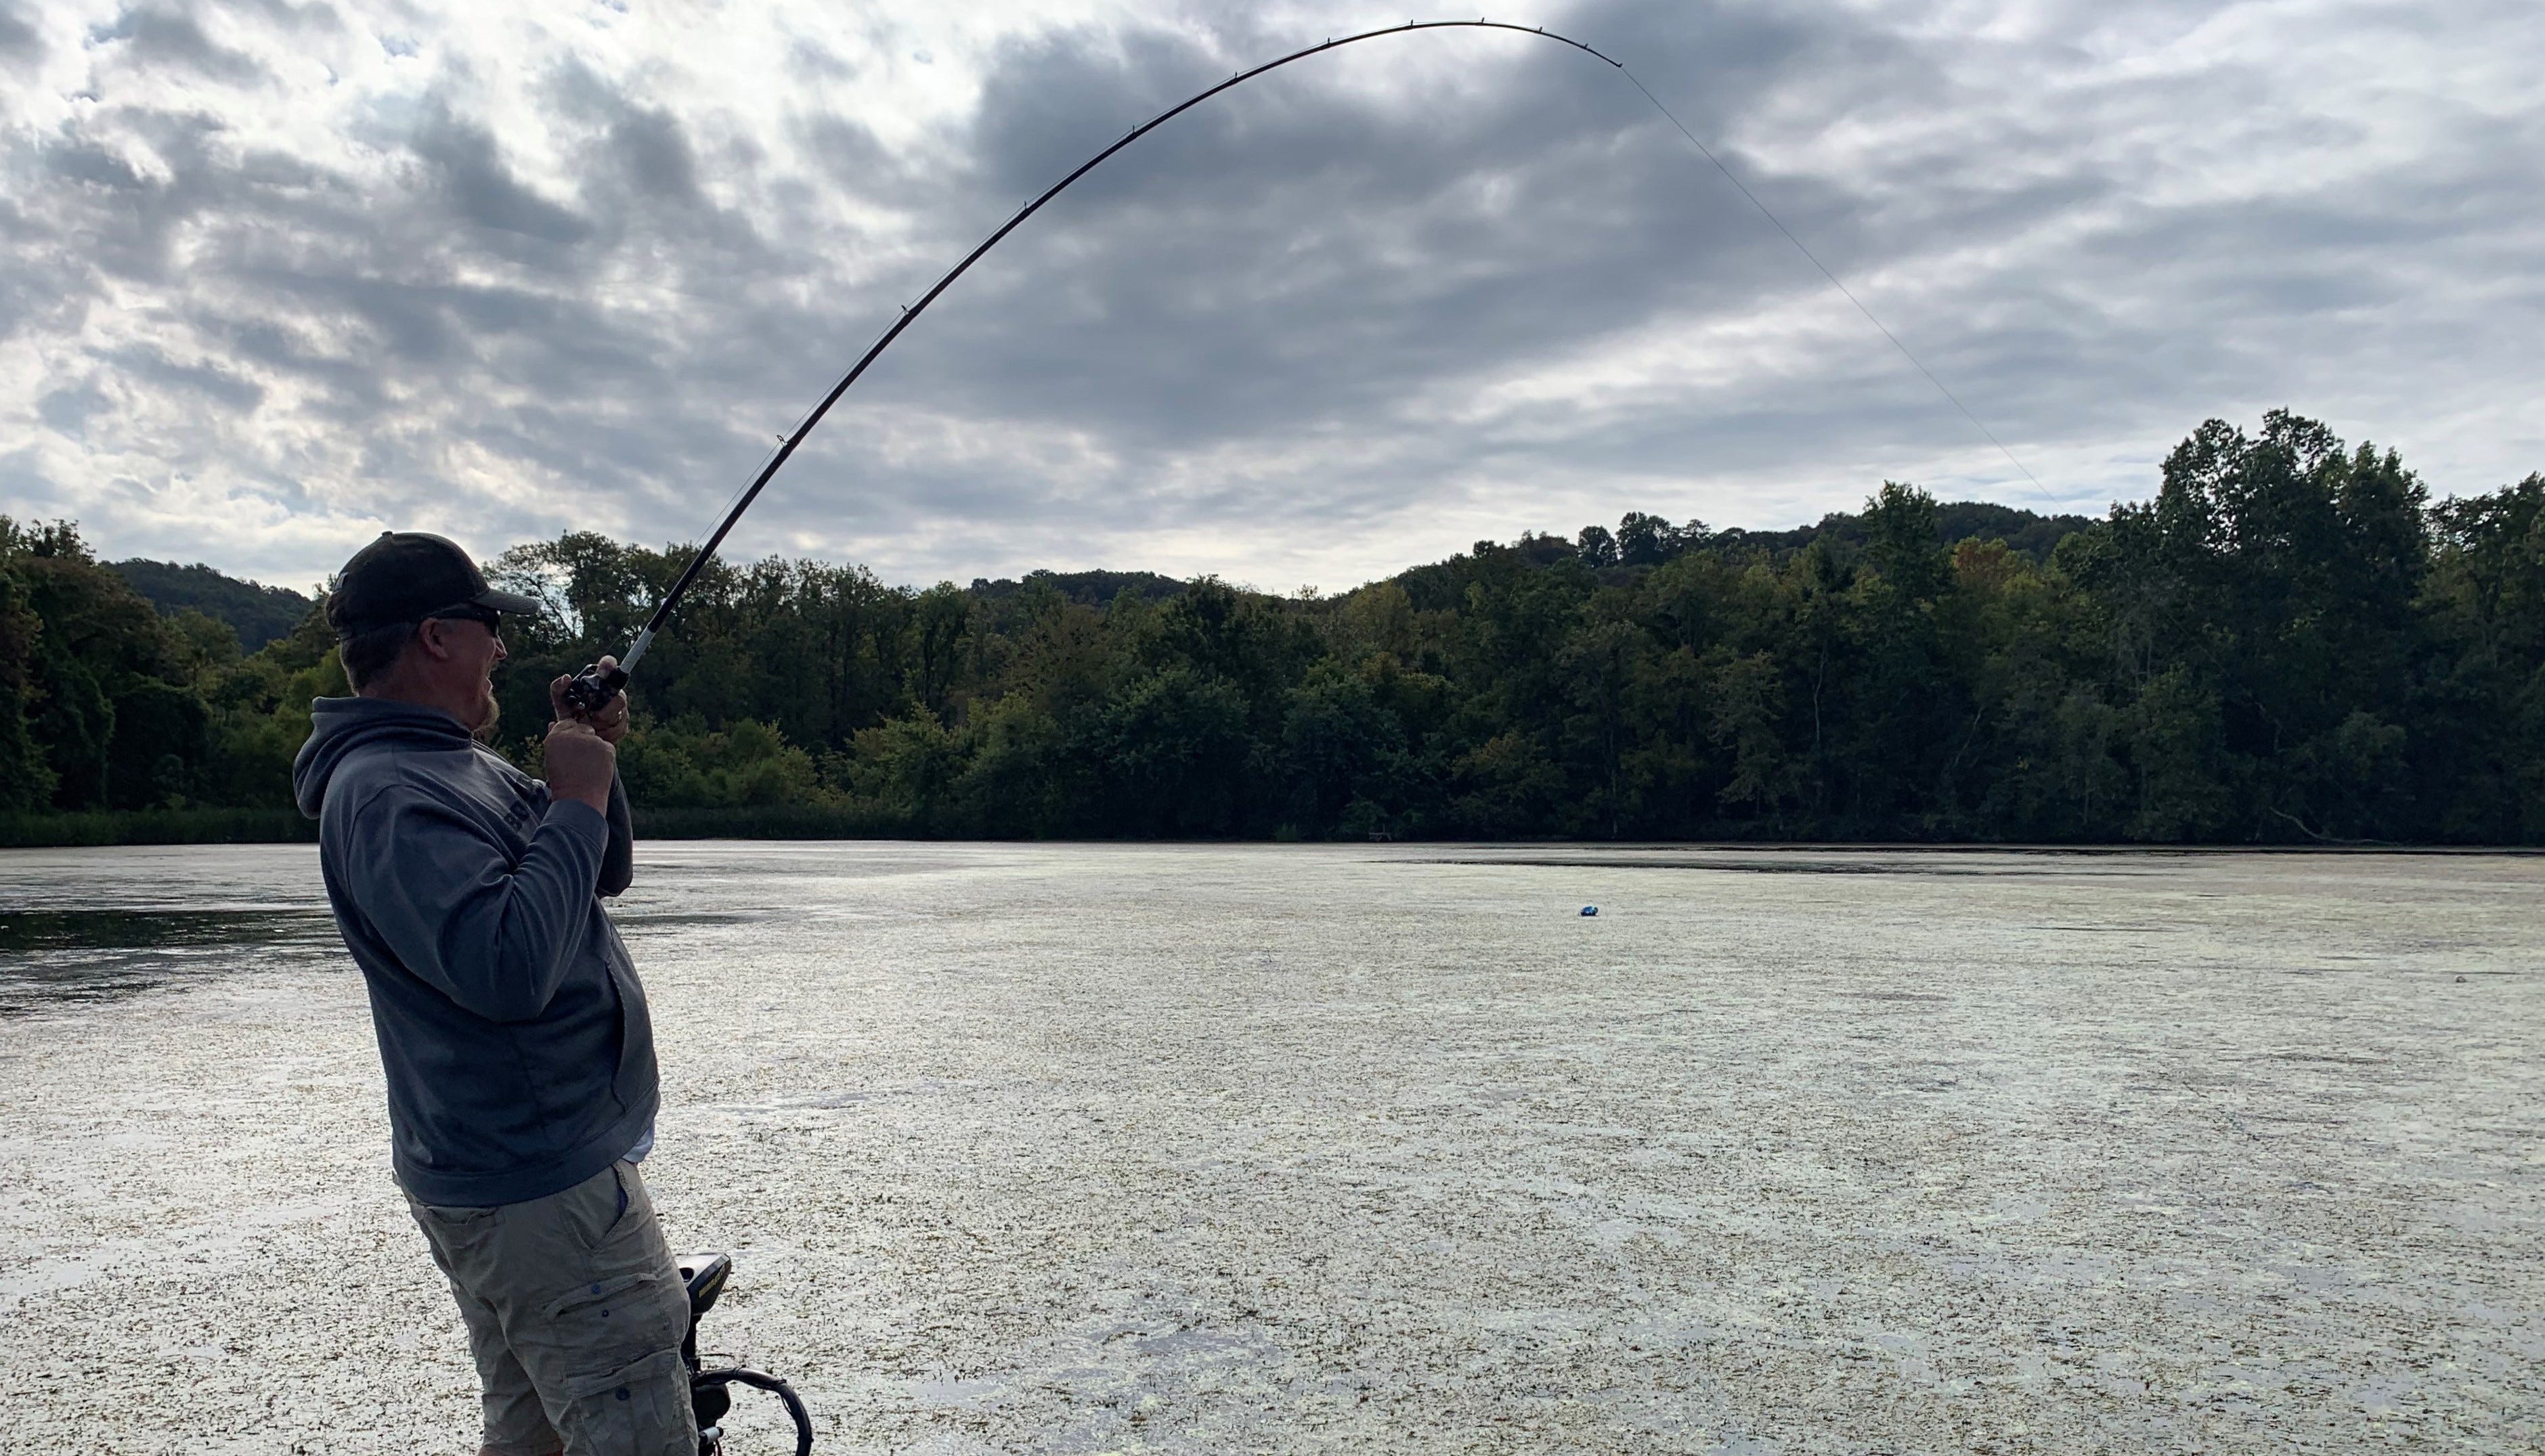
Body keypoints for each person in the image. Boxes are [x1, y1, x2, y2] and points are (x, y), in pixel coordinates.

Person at [291, 531, 698, 1456]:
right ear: (436, 637)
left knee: (533, 1438)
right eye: (488, 628)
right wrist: (578, 802)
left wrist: (591, 761)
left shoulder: (448, 763)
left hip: (531, 1180)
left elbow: (600, 874)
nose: (502, 649)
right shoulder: (386, 792)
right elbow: (508, 972)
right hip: (539, 1192)